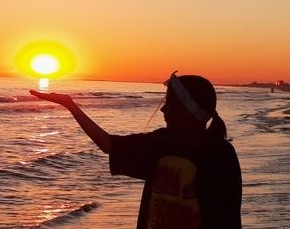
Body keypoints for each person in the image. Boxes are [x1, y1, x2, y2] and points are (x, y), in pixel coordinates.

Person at [31, 72, 242, 228]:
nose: (163, 109)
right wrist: (70, 105)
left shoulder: (174, 146)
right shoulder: (218, 151)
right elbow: (108, 144)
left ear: (186, 110)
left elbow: (107, 144)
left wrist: (70, 105)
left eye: (169, 103)